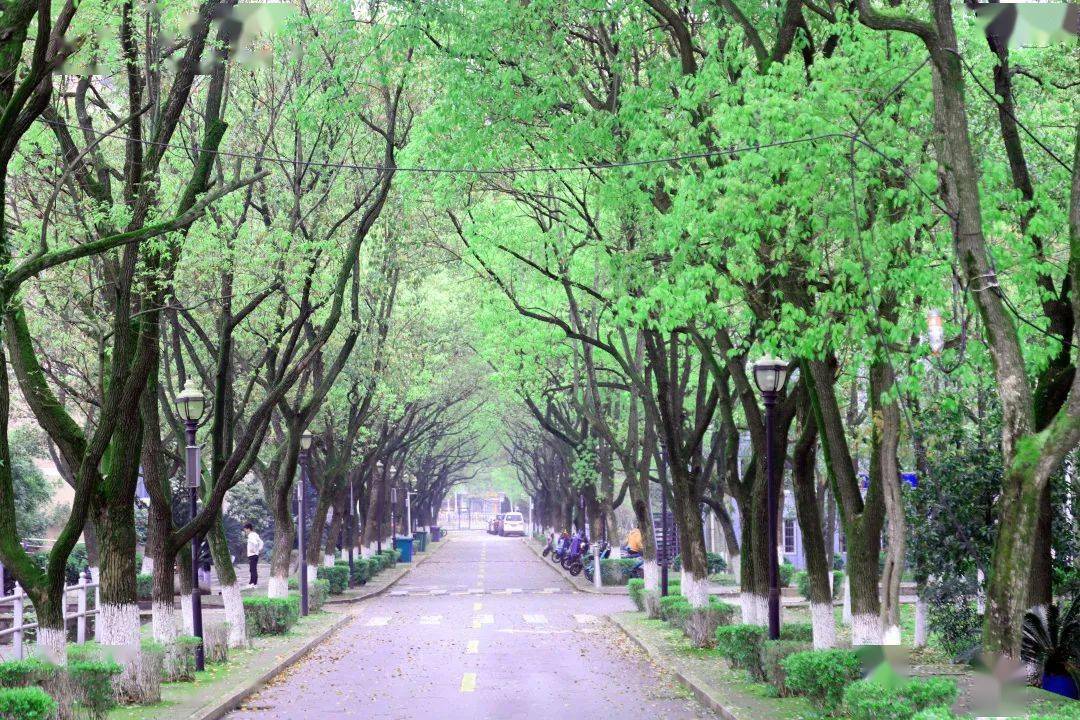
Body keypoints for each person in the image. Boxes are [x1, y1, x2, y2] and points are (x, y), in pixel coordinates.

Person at [243, 523, 264, 589]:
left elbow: (255, 543)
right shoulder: (255, 534)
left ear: (248, 529)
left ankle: (253, 583)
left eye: (245, 530)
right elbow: (261, 542)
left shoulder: (251, 535)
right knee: (253, 569)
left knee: (252, 570)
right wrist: (258, 549)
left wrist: (254, 550)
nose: (245, 531)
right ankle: (253, 583)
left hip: (252, 555)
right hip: (255, 555)